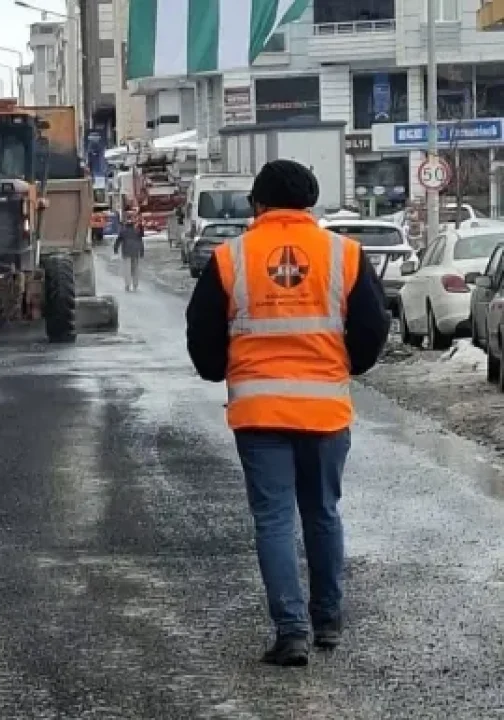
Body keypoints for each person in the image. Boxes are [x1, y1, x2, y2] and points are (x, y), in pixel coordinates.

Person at [185, 159, 389, 667]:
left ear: (257, 204)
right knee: (322, 513)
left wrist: (216, 369)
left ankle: (292, 632)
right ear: (309, 204)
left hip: (259, 411)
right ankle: (328, 622)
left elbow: (203, 330)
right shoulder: (344, 253)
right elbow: (372, 325)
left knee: (274, 520)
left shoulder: (232, 257)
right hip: (324, 410)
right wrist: (348, 365)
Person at [113, 214, 145, 292]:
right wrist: (141, 251)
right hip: (135, 252)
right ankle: (135, 285)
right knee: (135, 269)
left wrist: (115, 249)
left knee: (127, 269)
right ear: (133, 225)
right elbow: (141, 242)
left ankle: (127, 285)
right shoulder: (136, 232)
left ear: (126, 225)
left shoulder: (123, 232)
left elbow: (118, 241)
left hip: (126, 252)